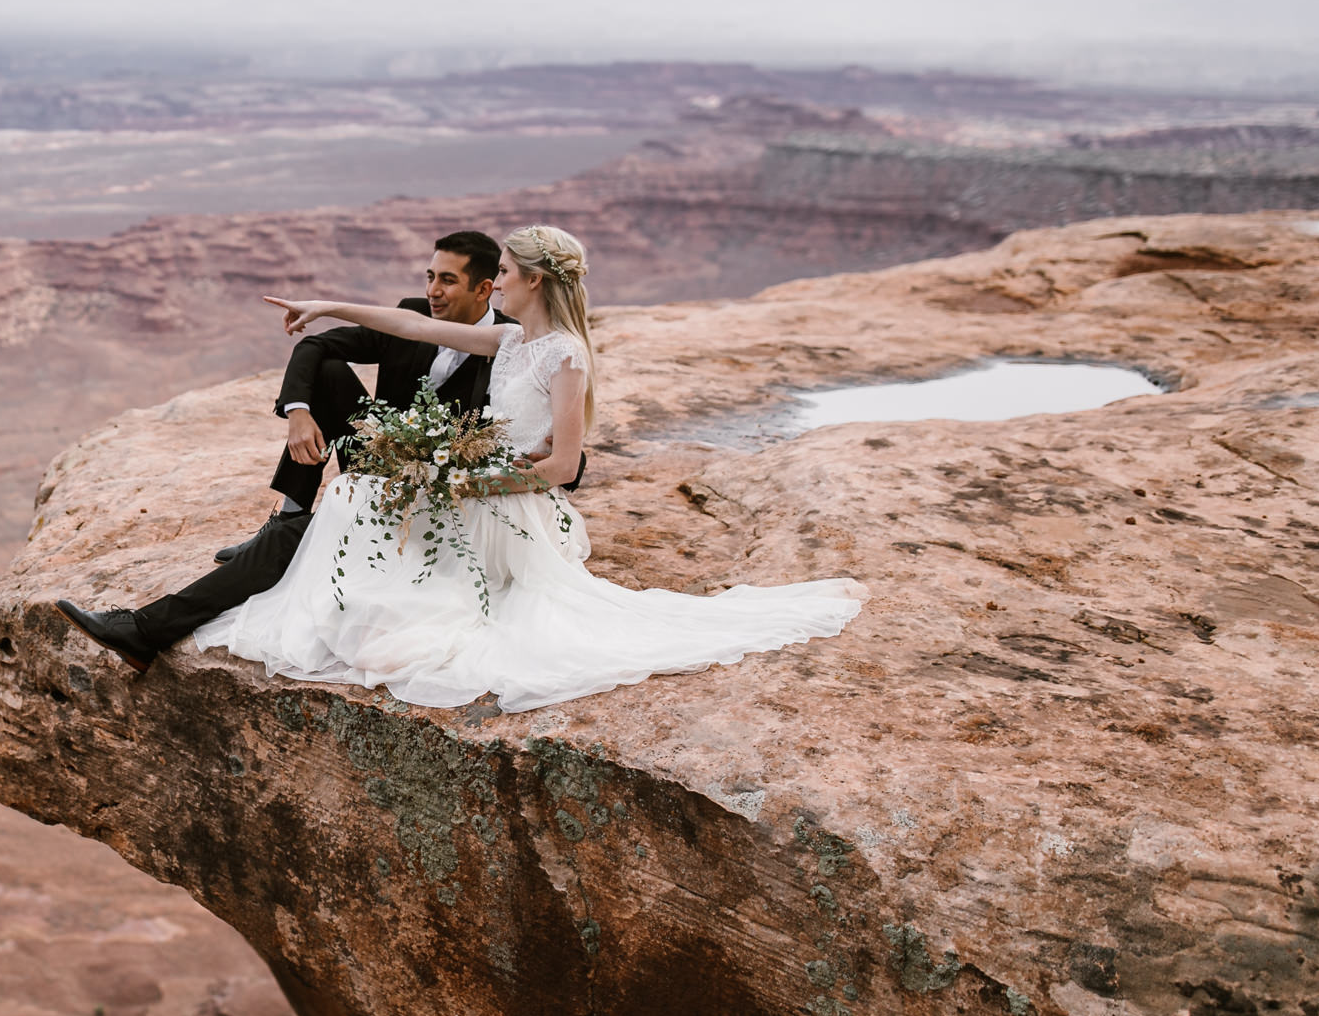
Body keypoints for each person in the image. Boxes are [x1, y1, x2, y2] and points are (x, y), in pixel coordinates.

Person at [183, 225, 867, 710]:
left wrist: (461, 480)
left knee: (430, 630)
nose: (496, 281)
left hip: (508, 508)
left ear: (532, 280)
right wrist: (325, 304)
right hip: (471, 491)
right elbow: (414, 328)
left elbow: (564, 465)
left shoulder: (566, 355)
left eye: (504, 272)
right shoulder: (508, 338)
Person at [59, 230, 527, 671]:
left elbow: (544, 448)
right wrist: (298, 414)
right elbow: (318, 344)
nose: (433, 290)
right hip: (381, 458)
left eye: (448, 280)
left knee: (291, 546)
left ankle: (146, 630)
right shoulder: (411, 314)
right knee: (325, 373)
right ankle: (291, 513)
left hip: (430, 493)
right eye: (429, 276)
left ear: (485, 288)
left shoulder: (509, 343)